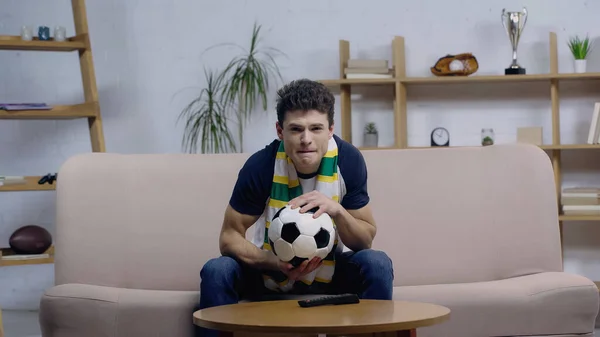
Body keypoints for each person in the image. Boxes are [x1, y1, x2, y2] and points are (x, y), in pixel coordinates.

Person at [195, 79, 394, 337]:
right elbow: (229, 237)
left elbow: (365, 240)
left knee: (377, 263)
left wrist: (337, 210)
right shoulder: (261, 165)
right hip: (270, 272)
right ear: (280, 130)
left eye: (316, 128)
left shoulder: (349, 160)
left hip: (330, 270)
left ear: (331, 129)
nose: (306, 139)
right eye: (296, 129)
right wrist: (275, 262)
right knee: (216, 270)